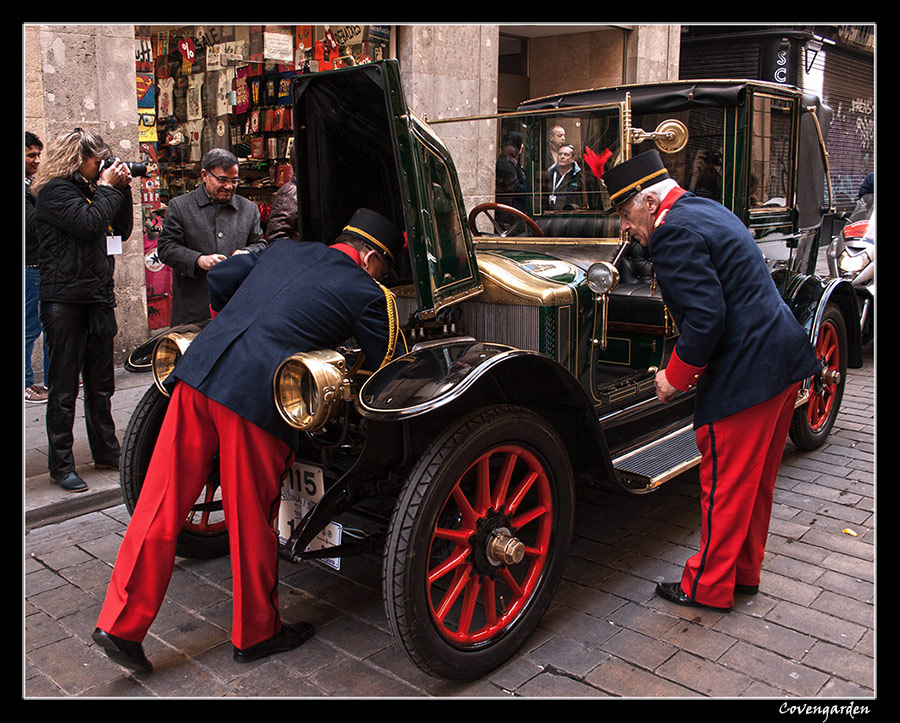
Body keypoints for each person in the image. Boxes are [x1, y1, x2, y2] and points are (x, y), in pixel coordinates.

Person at [93, 208, 406, 673]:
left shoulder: (281, 249)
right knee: (250, 517)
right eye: (384, 266)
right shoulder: (370, 292)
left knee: (159, 504)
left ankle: (118, 624)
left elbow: (221, 278)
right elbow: (389, 371)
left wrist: (231, 323)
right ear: (374, 259)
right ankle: (256, 632)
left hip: (199, 372)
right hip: (255, 398)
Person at [603, 150, 820, 611]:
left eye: (625, 214)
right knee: (753, 483)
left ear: (647, 201)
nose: (625, 227)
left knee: (722, 484)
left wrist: (673, 379)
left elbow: (705, 319)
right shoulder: (703, 208)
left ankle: (706, 586)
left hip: (747, 371)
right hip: (780, 360)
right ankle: (743, 573)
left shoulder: (672, 232)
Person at [31, 128, 135, 493]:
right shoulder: (54, 192)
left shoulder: (94, 190)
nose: (101, 165)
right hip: (64, 301)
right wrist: (107, 188)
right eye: (97, 159)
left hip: (96, 296)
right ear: (78, 159)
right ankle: (61, 465)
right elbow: (90, 225)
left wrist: (123, 189)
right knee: (63, 388)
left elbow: (119, 231)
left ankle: (107, 451)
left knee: (101, 385)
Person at [157, 148, 266, 325]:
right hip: (194, 307)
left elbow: (260, 244)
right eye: (222, 179)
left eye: (234, 180)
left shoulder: (248, 209)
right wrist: (199, 260)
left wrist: (246, 253)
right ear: (204, 175)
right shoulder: (180, 206)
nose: (229, 186)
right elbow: (166, 248)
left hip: (237, 306)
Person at [25, 131, 48, 404]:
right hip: (30, 265)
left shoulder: (32, 186)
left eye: (38, 155)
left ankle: (54, 376)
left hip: (40, 264)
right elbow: (33, 226)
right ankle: (26, 383)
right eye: (31, 155)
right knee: (29, 327)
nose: (37, 161)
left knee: (50, 324)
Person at [547, 144, 583, 210]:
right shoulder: (549, 174)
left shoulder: (578, 177)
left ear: (573, 159)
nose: (562, 157)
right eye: (560, 154)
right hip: (548, 214)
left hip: (569, 215)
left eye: (566, 155)